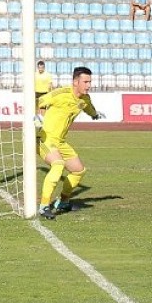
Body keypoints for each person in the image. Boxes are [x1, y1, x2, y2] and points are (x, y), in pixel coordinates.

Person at [35, 66, 106, 219]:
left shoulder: (84, 99)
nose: (88, 85)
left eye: (90, 82)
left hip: (60, 142)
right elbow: (39, 101)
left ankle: (62, 202)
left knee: (78, 170)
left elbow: (89, 109)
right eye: (85, 82)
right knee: (58, 164)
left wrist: (95, 115)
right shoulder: (61, 94)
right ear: (75, 82)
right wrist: (38, 116)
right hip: (45, 138)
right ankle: (43, 205)